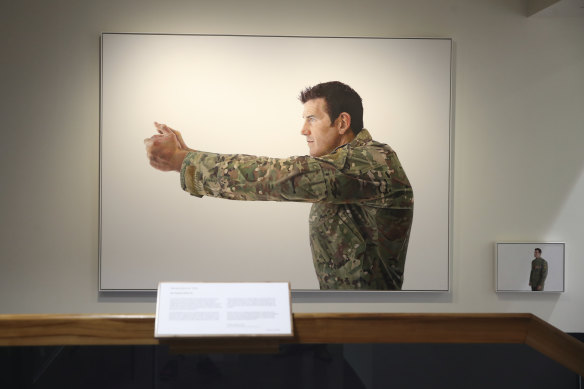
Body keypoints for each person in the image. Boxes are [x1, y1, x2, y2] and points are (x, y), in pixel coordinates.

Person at [144, 81, 414, 290]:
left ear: (342, 122)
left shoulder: (370, 161)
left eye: (312, 119)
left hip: (372, 326)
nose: (303, 130)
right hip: (352, 318)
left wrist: (186, 161)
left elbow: (277, 177)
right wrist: (188, 155)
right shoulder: (349, 164)